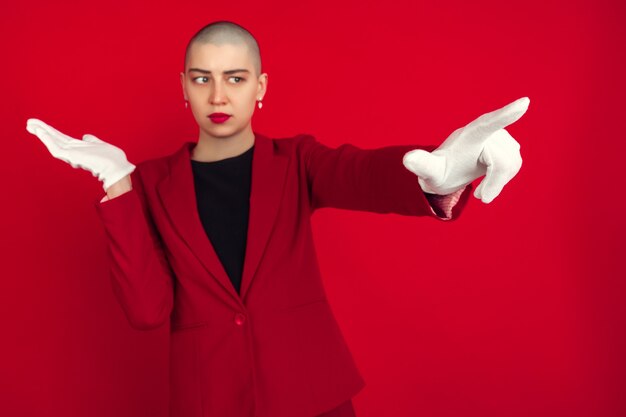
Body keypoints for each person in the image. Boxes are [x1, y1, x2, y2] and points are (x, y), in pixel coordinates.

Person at [25, 20, 529, 417]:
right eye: (202, 79)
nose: (218, 96)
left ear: (260, 86)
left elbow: (364, 173)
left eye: (235, 78)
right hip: (210, 405)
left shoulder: (297, 162)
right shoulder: (150, 184)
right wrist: (118, 185)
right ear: (183, 86)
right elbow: (147, 311)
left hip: (312, 397)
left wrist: (437, 175)